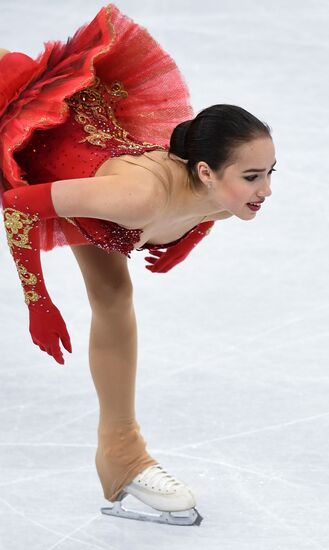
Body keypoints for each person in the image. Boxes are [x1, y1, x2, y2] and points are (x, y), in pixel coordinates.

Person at [0, 4, 276, 527]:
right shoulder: (137, 200)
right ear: (205, 170)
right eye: (253, 176)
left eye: (270, 173)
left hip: (87, 161)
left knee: (113, 297)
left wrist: (188, 239)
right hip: (25, 124)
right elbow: (16, 206)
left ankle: (122, 455)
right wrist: (39, 301)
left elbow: (210, 206)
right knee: (114, 295)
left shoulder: (217, 196)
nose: (266, 191)